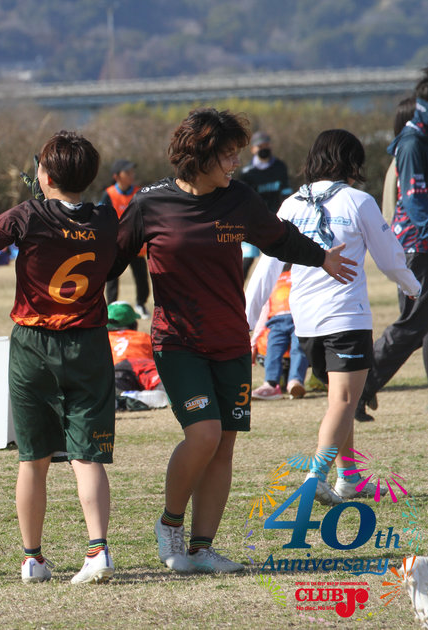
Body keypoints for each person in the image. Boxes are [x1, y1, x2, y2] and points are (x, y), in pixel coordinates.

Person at [114, 108, 356, 574]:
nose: (235, 164)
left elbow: (279, 238)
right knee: (203, 434)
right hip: (177, 341)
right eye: (227, 155)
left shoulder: (239, 198)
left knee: (223, 443)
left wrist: (321, 257)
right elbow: (111, 258)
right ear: (199, 156)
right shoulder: (150, 203)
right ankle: (170, 524)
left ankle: (202, 549)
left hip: (230, 341)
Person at [0, 131, 118, 585]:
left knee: (33, 458)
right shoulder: (107, 218)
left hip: (33, 344)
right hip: (88, 343)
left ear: (44, 175)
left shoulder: (27, 214)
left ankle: (33, 558)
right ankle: (98, 550)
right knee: (87, 456)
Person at [246, 129, 420, 504]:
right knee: (344, 400)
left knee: (341, 400)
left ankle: (350, 479)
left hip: (305, 322)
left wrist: (246, 320)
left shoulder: (291, 203)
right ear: (351, 163)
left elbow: (265, 269)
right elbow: (390, 256)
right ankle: (316, 478)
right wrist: (413, 286)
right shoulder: (358, 201)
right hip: (346, 318)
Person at [358, 68, 428, 422]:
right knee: (412, 325)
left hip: (419, 245)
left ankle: (361, 385)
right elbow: (416, 204)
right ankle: (361, 386)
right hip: (420, 246)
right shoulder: (414, 142)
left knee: (420, 325)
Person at [249, 265, 309, 400]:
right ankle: (271, 384)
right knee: (274, 351)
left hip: (297, 319)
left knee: (296, 349)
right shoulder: (273, 283)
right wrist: (254, 341)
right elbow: (264, 312)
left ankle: (294, 382)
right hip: (277, 322)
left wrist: (254, 341)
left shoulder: (300, 278)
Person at [239, 131, 292, 277]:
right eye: (260, 146)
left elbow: (286, 194)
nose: (264, 148)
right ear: (253, 149)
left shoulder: (280, 167)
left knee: (285, 258)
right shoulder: (247, 173)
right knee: (247, 259)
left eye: (266, 145)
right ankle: (238, 290)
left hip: (276, 220)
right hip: (253, 223)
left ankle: (280, 288)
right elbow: (243, 201)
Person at [101, 160, 150, 316]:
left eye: (132, 172)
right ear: (116, 176)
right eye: (127, 172)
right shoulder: (109, 194)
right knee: (112, 278)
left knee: (142, 277)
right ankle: (111, 307)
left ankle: (141, 304)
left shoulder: (139, 192)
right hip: (116, 244)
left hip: (136, 243)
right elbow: (102, 216)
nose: (132, 175)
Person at [106, 301, 162, 394]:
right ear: (134, 324)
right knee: (167, 388)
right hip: (144, 367)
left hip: (116, 371)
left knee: (115, 392)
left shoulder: (104, 340)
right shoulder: (144, 337)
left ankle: (123, 395)